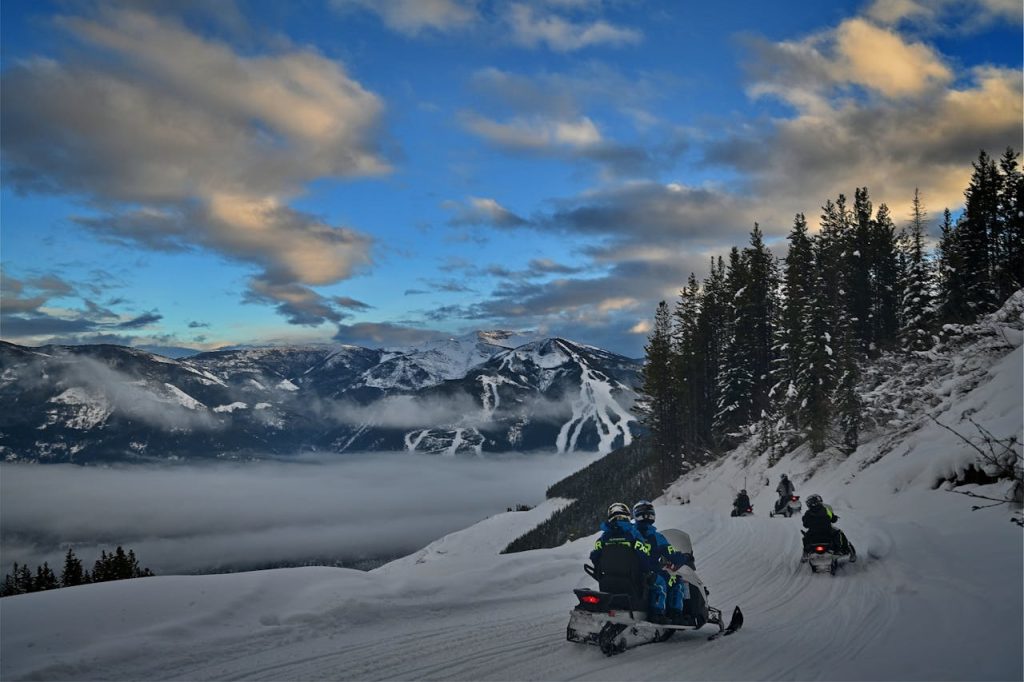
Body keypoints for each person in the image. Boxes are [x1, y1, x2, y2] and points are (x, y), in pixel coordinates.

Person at [632, 500, 693, 625]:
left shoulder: (631, 534)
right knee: (676, 581)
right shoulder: (656, 537)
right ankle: (671, 614)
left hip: (631, 572)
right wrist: (684, 558)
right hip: (650, 571)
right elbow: (671, 554)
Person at [589, 502, 649, 578]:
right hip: (633, 581)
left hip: (608, 580)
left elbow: (595, 558)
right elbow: (644, 557)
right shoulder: (634, 533)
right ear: (627, 516)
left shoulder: (603, 537)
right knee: (658, 584)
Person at [802, 494, 856, 561]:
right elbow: (833, 519)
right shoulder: (825, 510)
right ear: (819, 501)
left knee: (805, 537)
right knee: (840, 533)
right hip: (827, 532)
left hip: (813, 534)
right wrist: (834, 517)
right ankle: (846, 550)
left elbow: (805, 524)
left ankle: (805, 552)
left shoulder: (807, 513)